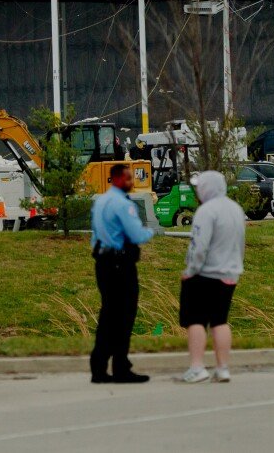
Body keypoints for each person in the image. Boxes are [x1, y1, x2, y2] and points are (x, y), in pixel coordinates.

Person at [178, 170, 245, 383]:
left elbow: (199, 246)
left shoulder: (206, 211)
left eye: (200, 186)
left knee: (196, 319)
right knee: (220, 320)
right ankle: (222, 368)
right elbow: (240, 243)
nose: (198, 190)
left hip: (205, 273)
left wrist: (190, 270)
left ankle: (197, 367)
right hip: (230, 273)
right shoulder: (236, 209)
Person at [89, 163, 154, 384]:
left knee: (108, 315)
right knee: (124, 316)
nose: (131, 182)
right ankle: (120, 367)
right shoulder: (122, 204)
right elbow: (136, 235)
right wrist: (150, 231)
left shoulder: (100, 201)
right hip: (120, 265)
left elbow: (95, 234)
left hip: (103, 263)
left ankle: (98, 367)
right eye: (128, 178)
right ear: (117, 179)